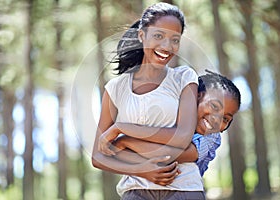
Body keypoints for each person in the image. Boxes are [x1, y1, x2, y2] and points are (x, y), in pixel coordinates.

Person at [92, 2, 205, 200]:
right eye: (159, 36)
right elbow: (98, 156)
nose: (167, 47)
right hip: (135, 191)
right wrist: (141, 170)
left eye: (175, 39)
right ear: (142, 35)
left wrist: (122, 130)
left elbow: (182, 137)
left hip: (184, 188)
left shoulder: (184, 77)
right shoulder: (116, 88)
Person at [110, 70, 241, 179]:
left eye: (225, 119)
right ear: (196, 97)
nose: (217, 119)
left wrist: (126, 141)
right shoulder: (171, 113)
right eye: (214, 106)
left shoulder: (212, 137)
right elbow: (117, 155)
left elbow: (169, 156)